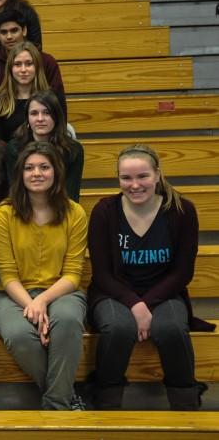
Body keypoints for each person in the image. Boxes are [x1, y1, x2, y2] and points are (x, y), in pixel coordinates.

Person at [88, 144, 213, 410]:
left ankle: (186, 408)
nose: (134, 184)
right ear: (118, 178)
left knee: (171, 329)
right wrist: (134, 304)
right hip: (113, 292)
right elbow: (101, 273)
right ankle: (105, 407)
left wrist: (147, 303)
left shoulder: (182, 210)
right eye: (126, 178)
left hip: (165, 291)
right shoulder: (105, 211)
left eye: (142, 176)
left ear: (157, 174)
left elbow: (183, 273)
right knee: (119, 328)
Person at [0, 141, 87, 411]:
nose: (37, 173)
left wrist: (42, 301)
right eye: (29, 168)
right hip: (10, 293)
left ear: (57, 171)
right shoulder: (3, 213)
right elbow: (7, 274)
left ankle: (56, 407)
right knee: (19, 334)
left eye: (44, 167)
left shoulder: (74, 212)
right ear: (20, 174)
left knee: (66, 321)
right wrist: (31, 304)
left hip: (61, 291)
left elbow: (73, 273)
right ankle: (66, 398)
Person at [6, 90, 83, 202]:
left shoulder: (73, 150)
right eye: (34, 113)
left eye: (47, 113)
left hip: (61, 212)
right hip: (24, 211)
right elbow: (16, 192)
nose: (40, 119)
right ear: (27, 118)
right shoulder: (14, 148)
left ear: (56, 116)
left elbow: (71, 195)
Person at [0, 41, 64, 142]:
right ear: (10, 69)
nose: (23, 69)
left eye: (29, 64)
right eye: (17, 64)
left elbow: (60, 133)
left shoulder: (53, 98)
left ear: (37, 67)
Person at [0, 10, 64, 98]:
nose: (9, 36)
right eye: (4, 32)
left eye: (14, 31)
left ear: (24, 30)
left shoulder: (47, 61)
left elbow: (58, 103)